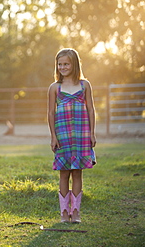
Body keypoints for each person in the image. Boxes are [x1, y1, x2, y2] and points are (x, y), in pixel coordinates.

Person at [47, 48, 97, 223]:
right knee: (63, 173)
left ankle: (75, 212)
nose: (63, 67)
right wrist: (53, 136)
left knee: (77, 173)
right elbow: (51, 113)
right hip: (63, 135)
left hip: (82, 134)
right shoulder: (55, 88)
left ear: (74, 64)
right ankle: (63, 213)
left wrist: (92, 133)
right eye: (60, 64)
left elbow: (91, 109)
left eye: (66, 64)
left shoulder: (85, 85)